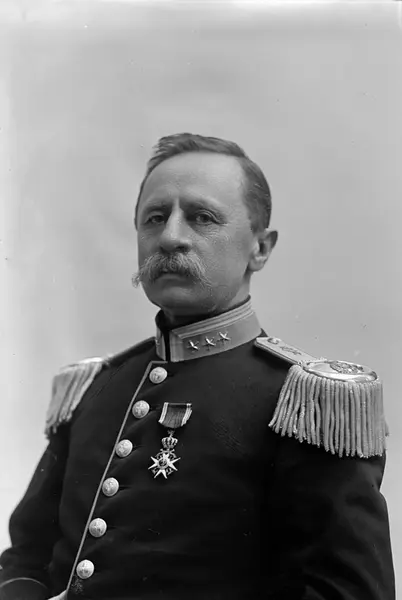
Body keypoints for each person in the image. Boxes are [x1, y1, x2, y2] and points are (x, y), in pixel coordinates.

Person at [0, 133, 395, 600]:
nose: (170, 237)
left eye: (202, 217)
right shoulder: (96, 387)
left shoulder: (306, 406)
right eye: (155, 218)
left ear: (261, 248)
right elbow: (27, 558)